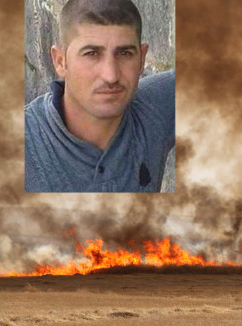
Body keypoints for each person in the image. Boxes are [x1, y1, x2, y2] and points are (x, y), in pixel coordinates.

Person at [25, 0, 175, 192]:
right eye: (92, 53)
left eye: (125, 53)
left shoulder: (154, 109)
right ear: (60, 61)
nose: (111, 75)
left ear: (142, 59)